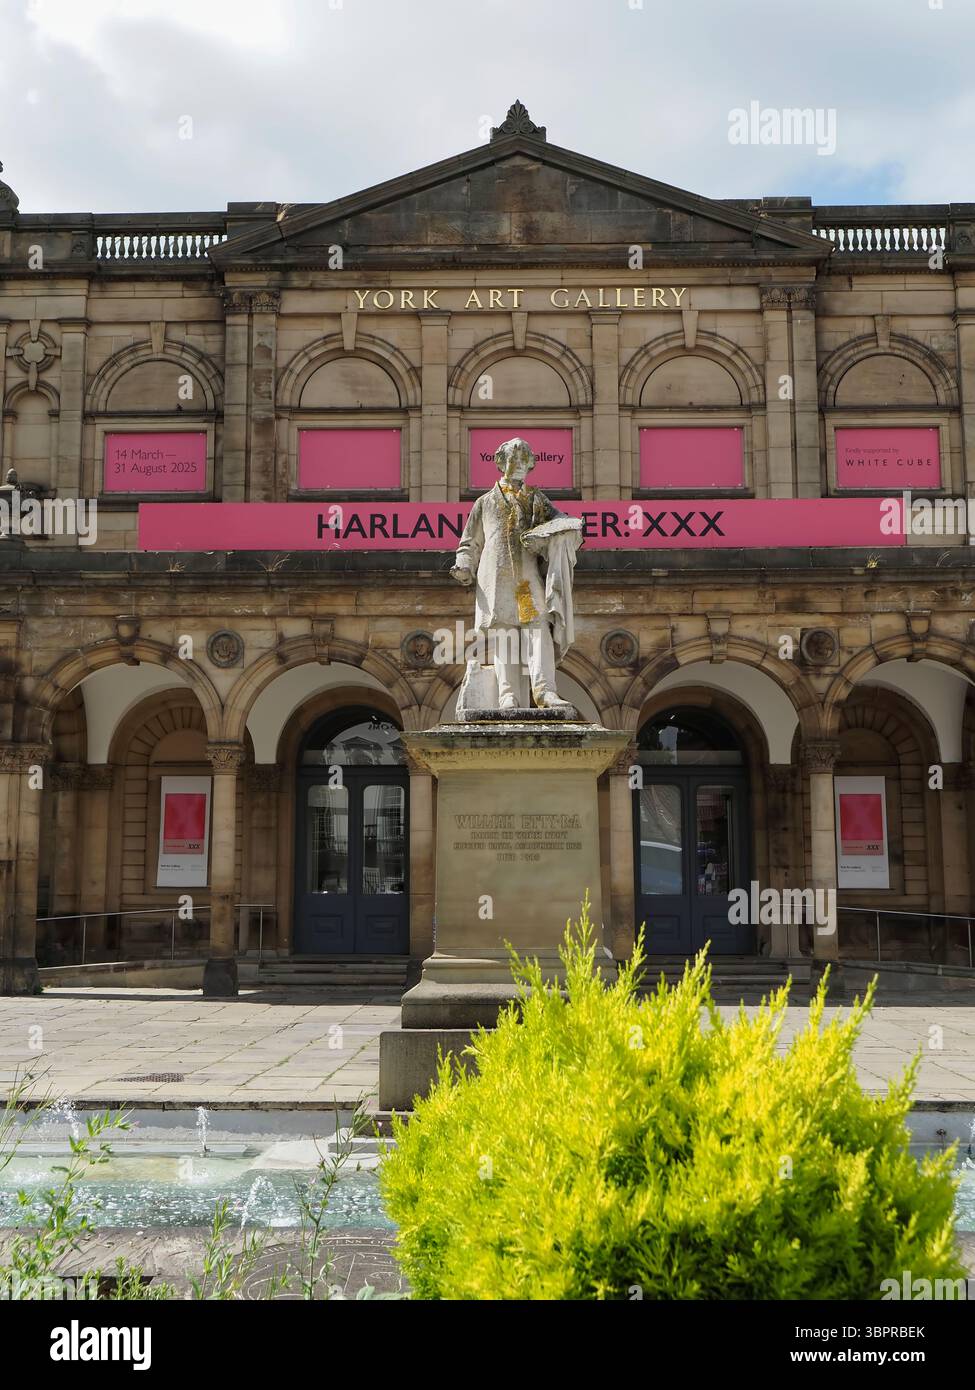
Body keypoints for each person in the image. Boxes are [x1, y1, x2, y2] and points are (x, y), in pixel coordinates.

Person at [451, 437, 582, 710]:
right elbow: (470, 542)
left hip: (527, 578)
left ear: (532, 464)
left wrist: (550, 537)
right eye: (514, 458)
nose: (520, 463)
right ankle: (507, 694)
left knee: (538, 631)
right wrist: (464, 565)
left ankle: (545, 691)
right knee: (505, 635)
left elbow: (564, 523)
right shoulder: (484, 502)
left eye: (525, 459)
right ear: (501, 463)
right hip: (496, 579)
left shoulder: (537, 500)